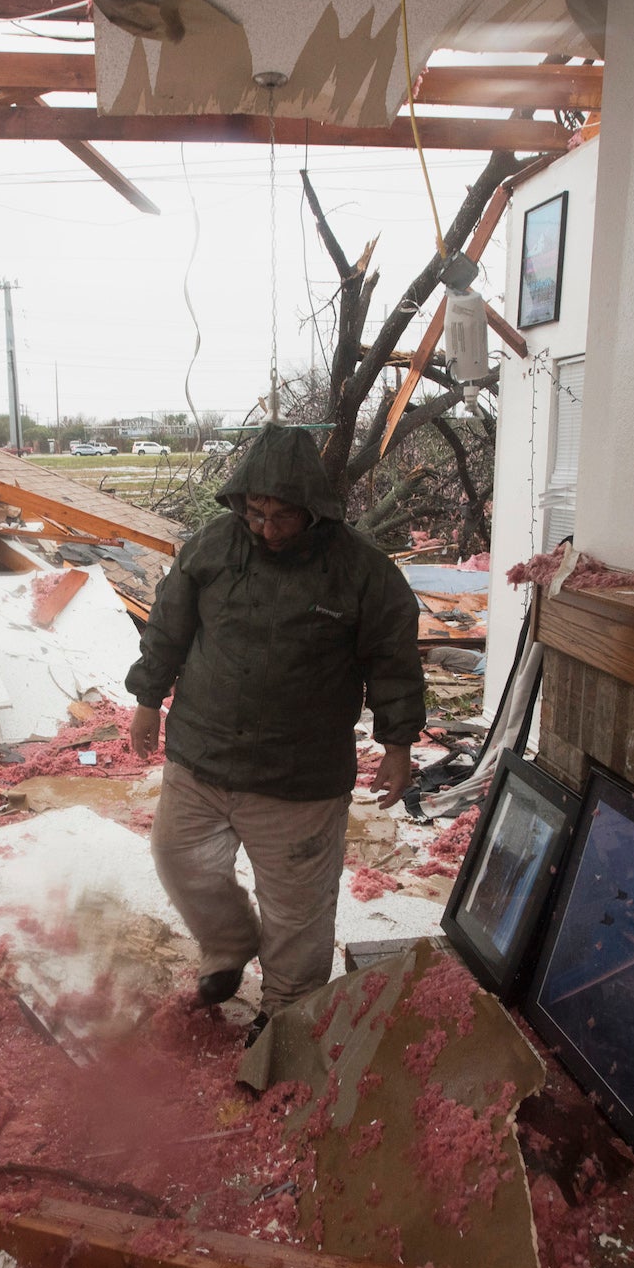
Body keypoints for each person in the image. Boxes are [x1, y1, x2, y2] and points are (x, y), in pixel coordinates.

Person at [126, 425, 425, 1039]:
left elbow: (393, 662)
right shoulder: (212, 547)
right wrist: (147, 700)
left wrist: (399, 746)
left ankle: (288, 1013)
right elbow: (168, 625)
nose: (266, 528)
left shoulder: (363, 572)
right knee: (178, 858)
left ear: (314, 511)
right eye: (255, 513)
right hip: (201, 754)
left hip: (300, 777)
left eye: (281, 516)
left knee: (298, 911)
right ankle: (230, 945)